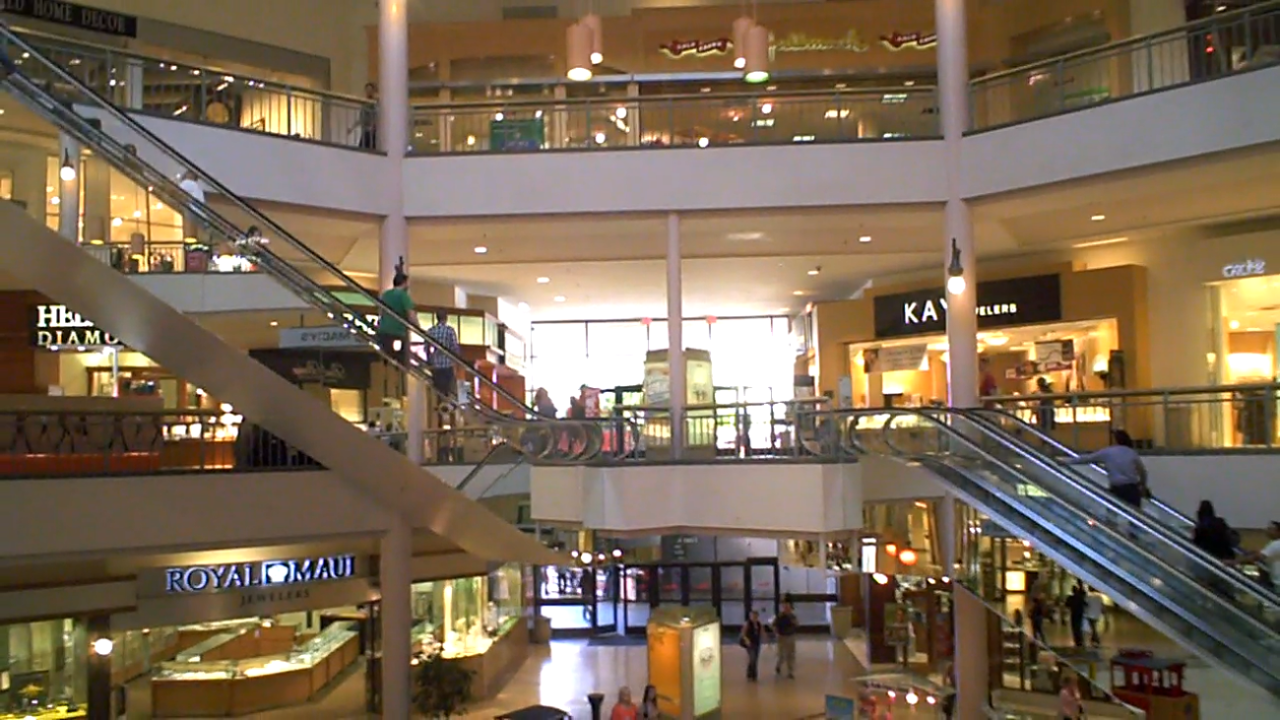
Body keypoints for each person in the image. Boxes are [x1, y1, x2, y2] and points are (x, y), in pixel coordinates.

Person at [1062, 429, 1149, 510]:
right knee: (1134, 514)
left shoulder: (1108, 452)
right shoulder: (1131, 452)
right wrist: (1142, 485)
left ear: (1115, 440)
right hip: (1132, 488)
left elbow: (1088, 458)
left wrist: (1067, 461)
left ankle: (1111, 526)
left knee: (1112, 512)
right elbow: (1142, 472)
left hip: (1116, 488)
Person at [376, 272, 415, 368]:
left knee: (385, 360)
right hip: (398, 332)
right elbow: (410, 313)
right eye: (407, 283)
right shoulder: (403, 296)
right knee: (400, 362)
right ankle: (398, 380)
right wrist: (416, 326)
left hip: (383, 331)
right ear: (404, 283)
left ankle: (384, 379)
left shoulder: (386, 294)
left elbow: (380, 311)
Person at [425, 310, 462, 402]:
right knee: (449, 390)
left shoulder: (430, 331)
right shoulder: (450, 331)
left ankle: (438, 405)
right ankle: (447, 407)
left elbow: (426, 348)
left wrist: (429, 360)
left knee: (438, 390)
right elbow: (454, 348)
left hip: (435, 366)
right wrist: (457, 362)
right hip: (448, 366)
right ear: (446, 318)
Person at [1233, 520, 1280, 591]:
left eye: (1270, 529)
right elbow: (1264, 553)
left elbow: (1258, 557)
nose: (1267, 531)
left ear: (1278, 532)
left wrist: (1234, 562)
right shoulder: (1274, 543)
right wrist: (1254, 552)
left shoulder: (1276, 544)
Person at [771, 601, 798, 679]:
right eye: (786, 608)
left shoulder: (793, 616)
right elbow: (774, 625)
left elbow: (797, 624)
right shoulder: (780, 616)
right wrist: (776, 633)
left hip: (790, 636)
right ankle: (778, 665)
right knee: (781, 655)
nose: (787, 609)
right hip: (781, 636)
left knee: (791, 654)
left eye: (789, 608)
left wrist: (793, 620)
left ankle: (790, 671)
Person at [740, 610, 765, 681]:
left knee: (755, 659)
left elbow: (762, 632)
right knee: (752, 658)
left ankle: (752, 673)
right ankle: (752, 674)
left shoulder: (759, 624)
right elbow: (742, 633)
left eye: (756, 616)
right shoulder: (747, 624)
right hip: (750, 644)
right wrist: (746, 640)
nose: (754, 617)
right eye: (753, 616)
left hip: (757, 643)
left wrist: (766, 640)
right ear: (750, 616)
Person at [356, 82, 379, 149]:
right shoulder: (364, 103)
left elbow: (376, 114)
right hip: (365, 130)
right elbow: (361, 117)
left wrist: (373, 125)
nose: (368, 91)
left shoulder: (374, 102)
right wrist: (352, 128)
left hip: (371, 130)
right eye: (367, 90)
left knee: (368, 148)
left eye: (370, 90)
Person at [1066, 583, 1087, 648]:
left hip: (1073, 614)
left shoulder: (1070, 598)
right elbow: (1086, 604)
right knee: (1079, 627)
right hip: (1080, 614)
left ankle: (1076, 641)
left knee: (1074, 628)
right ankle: (1080, 640)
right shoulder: (1080, 598)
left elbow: (1067, 604)